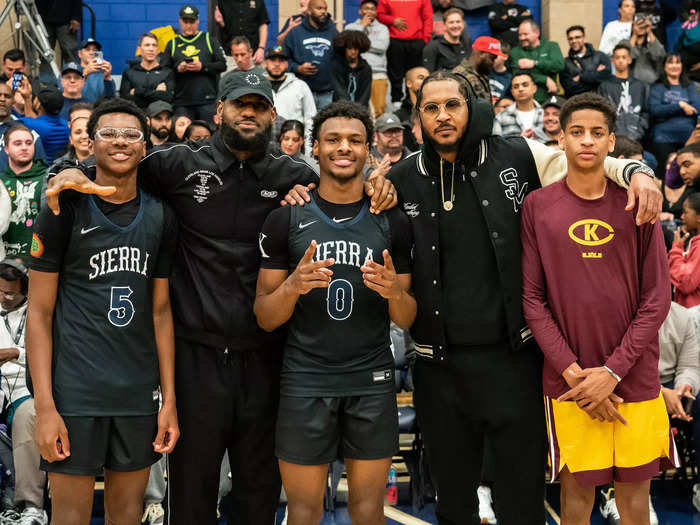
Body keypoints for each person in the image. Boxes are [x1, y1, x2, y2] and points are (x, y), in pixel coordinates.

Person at [290, 71, 662, 525]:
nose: (443, 116)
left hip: (514, 363)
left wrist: (637, 172)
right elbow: (341, 190)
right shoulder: (402, 177)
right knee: (454, 506)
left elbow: (586, 157)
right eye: (431, 108)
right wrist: (310, 187)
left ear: (472, 109)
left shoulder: (522, 155)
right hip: (438, 367)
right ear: (417, 120)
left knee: (520, 503)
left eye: (453, 105)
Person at [45, 69, 397, 525]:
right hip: (197, 358)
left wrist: (377, 182)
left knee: (258, 490)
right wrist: (65, 169)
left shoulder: (296, 176)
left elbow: (345, 186)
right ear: (219, 111)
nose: (247, 113)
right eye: (238, 104)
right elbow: (116, 163)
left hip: (268, 356)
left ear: (273, 114)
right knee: (192, 490)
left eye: (258, 106)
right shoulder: (178, 164)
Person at [254, 100, 415, 525]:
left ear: (369, 149)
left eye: (354, 140)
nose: (344, 148)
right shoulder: (285, 218)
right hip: (305, 377)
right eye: (333, 140)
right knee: (303, 510)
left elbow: (408, 317)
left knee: (367, 510)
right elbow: (265, 316)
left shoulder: (392, 220)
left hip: (372, 378)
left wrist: (391, 292)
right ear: (316, 148)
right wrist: (293, 285)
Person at [522, 91, 673, 525]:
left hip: (634, 379)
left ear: (611, 143)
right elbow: (532, 299)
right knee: (576, 504)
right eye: (577, 132)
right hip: (571, 384)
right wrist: (576, 373)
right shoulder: (537, 206)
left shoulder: (637, 202)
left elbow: (657, 298)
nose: (586, 141)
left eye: (597, 133)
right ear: (561, 141)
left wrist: (611, 373)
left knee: (633, 505)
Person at [28, 98, 180, 525]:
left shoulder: (161, 216)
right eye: (108, 133)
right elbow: (38, 315)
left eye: (131, 134)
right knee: (71, 517)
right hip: (75, 393)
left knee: (127, 515)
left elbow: (161, 313)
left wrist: (169, 401)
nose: (120, 142)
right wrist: (45, 408)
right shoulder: (63, 206)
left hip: (136, 393)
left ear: (145, 146)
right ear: (89, 143)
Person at [0, 261, 47, 525]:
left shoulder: (39, 312)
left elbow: (52, 355)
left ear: (26, 291)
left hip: (29, 389)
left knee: (26, 416)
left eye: (10, 294)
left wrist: (15, 353)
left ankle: (32, 506)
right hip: (0, 389)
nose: (3, 298)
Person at [161, 4, 227, 124]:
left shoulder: (209, 40)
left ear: (198, 21)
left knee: (208, 136)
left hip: (207, 100)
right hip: (182, 102)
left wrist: (203, 67)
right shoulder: (173, 43)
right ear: (180, 21)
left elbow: (222, 65)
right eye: (185, 21)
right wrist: (178, 68)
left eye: (192, 21)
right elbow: (163, 71)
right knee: (184, 138)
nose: (188, 25)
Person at [1, 124, 47, 261]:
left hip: (38, 261)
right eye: (17, 143)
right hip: (3, 259)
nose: (24, 147)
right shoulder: (0, 181)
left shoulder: (47, 177)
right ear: (6, 149)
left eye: (29, 143)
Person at [649, 53, 700, 177]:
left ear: (681, 66)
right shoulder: (657, 87)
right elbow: (655, 110)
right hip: (664, 138)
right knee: (667, 175)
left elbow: (697, 108)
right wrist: (680, 105)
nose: (674, 66)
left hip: (688, 138)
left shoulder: (690, 86)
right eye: (670, 62)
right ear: (664, 66)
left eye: (677, 62)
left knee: (688, 175)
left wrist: (668, 108)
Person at [284, 0, 339, 110]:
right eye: (319, 8)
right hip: (301, 92)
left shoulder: (333, 32)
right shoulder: (295, 33)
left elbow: (340, 59)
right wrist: (298, 68)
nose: (323, 12)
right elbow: (284, 60)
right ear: (309, 11)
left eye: (325, 8)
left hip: (327, 93)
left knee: (324, 126)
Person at [377, 0, 433, 108]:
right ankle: (396, 101)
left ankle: (413, 101)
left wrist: (425, 39)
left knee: (415, 74)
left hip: (416, 40)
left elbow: (428, 17)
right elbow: (379, 15)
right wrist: (392, 20)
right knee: (395, 74)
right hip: (395, 40)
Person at [264, 46, 316, 151]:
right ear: (265, 63)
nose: (277, 64)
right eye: (273, 60)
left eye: (281, 60)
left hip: (294, 147)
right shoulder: (258, 86)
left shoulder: (300, 86)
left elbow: (310, 119)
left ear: (287, 64)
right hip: (265, 148)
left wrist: (308, 150)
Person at [345, 0, 390, 117]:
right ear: (360, 11)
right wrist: (362, 27)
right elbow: (349, 45)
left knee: (379, 111)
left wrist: (360, 43)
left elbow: (382, 47)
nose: (369, 11)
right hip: (356, 73)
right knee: (357, 109)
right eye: (366, 8)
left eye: (372, 9)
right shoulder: (350, 27)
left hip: (378, 74)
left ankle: (378, 135)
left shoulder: (383, 28)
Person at [598, 42, 649, 143]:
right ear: (612, 60)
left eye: (623, 57)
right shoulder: (605, 86)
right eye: (617, 57)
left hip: (636, 137)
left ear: (629, 60)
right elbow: (601, 113)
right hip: (613, 139)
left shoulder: (639, 85)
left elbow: (645, 111)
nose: (620, 60)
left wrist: (640, 130)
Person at [510, 20, 565, 104]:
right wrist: (545, 79)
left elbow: (559, 65)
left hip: (549, 99)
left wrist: (535, 63)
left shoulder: (551, 46)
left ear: (537, 33)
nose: (522, 38)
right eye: (520, 35)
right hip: (525, 100)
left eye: (525, 34)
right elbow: (517, 73)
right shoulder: (515, 52)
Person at [120, 33, 175, 110]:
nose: (151, 49)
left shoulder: (167, 72)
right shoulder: (129, 72)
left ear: (157, 50)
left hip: (158, 118)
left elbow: (168, 98)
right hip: (136, 116)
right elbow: (125, 100)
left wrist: (136, 91)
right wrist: (156, 92)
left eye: (154, 45)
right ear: (139, 49)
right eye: (147, 45)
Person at [0, 83, 47, 172]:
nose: (2, 99)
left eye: (7, 96)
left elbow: (42, 170)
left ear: (13, 101)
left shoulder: (28, 132)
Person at [19, 87, 69, 164]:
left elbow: (30, 120)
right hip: (60, 168)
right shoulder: (66, 125)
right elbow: (34, 120)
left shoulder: (31, 124)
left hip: (42, 171)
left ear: (38, 104)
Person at [214, 0, 270, 68]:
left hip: (253, 55)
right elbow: (222, 26)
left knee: (254, 78)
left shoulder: (258, 1)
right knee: (230, 78)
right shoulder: (223, 1)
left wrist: (261, 48)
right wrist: (220, 22)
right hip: (231, 56)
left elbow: (263, 25)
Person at [560, 25, 611, 98]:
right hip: (577, 103)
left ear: (584, 38)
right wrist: (595, 77)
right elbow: (570, 89)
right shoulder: (566, 63)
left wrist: (581, 77)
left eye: (577, 37)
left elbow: (606, 77)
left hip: (600, 102)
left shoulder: (600, 56)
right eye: (570, 39)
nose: (574, 41)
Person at [669, 193, 700, 308]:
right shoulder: (694, 242)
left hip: (694, 319)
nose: (682, 216)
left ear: (698, 217)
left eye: (686, 212)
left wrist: (676, 249)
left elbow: (686, 281)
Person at [453, 36, 505, 102]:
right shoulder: (461, 76)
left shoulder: (481, 72)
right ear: (481, 54)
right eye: (492, 58)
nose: (494, 62)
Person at [35, 0, 80, 76]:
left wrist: (75, 17)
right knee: (45, 54)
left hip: (66, 20)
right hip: (43, 19)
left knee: (69, 52)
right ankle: (46, 83)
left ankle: (71, 79)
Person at [494, 72, 543, 138]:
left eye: (525, 85)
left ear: (534, 88)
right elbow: (497, 145)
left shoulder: (546, 114)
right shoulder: (500, 117)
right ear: (512, 91)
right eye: (516, 87)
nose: (520, 89)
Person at [621, 13, 665, 85]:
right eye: (638, 24)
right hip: (631, 85)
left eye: (643, 24)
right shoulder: (624, 43)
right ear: (632, 25)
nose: (641, 26)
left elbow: (659, 55)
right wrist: (635, 33)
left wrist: (649, 31)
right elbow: (629, 57)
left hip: (652, 85)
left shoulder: (652, 42)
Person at [330, 31, 372, 106]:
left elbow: (365, 94)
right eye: (350, 48)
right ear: (344, 49)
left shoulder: (366, 68)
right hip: (340, 108)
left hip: (360, 111)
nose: (353, 51)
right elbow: (339, 90)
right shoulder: (336, 65)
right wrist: (347, 109)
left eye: (356, 48)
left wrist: (358, 111)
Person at [422, 8, 469, 72]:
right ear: (444, 26)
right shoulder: (433, 47)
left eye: (458, 22)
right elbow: (427, 74)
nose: (455, 25)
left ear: (463, 24)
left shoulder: (467, 43)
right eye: (451, 22)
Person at [76, 38, 116, 104]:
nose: (91, 53)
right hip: (79, 110)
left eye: (95, 50)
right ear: (80, 54)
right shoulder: (71, 71)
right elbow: (67, 94)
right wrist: (84, 74)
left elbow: (110, 99)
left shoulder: (103, 74)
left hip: (98, 111)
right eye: (87, 50)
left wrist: (107, 78)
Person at [489, 39, 512, 104]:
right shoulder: (485, 73)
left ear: (505, 57)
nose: (492, 57)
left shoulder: (511, 77)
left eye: (496, 54)